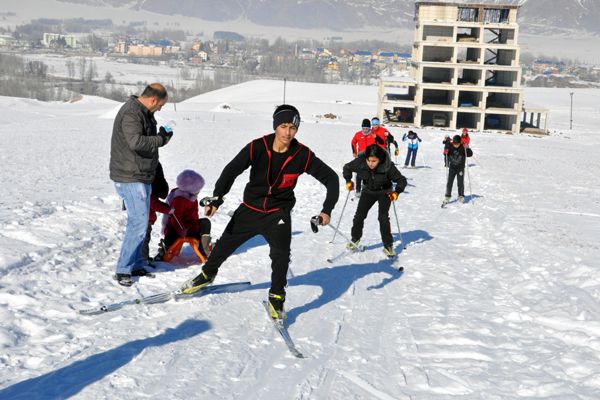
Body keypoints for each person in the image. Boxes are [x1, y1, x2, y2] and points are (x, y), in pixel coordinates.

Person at [181, 104, 339, 320]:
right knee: (224, 246)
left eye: (293, 128)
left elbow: (332, 179)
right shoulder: (258, 147)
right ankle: (207, 275)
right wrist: (218, 197)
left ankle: (276, 297)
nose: (287, 132)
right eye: (283, 126)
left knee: (281, 257)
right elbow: (232, 170)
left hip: (278, 214)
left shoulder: (302, 155)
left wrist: (326, 210)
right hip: (250, 209)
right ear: (276, 126)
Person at [110, 83, 173, 287]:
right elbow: (135, 142)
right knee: (138, 224)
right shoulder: (131, 113)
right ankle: (123, 269)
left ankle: (136, 263)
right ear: (154, 100)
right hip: (131, 176)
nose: (161, 109)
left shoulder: (144, 112)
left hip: (141, 175)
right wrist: (161, 140)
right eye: (161, 105)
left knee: (142, 222)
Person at [342, 144, 407, 257]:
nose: (371, 163)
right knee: (359, 216)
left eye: (374, 161)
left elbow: (401, 180)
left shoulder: (388, 166)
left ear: (379, 159)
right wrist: (348, 180)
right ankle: (355, 239)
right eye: (369, 160)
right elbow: (347, 167)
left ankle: (388, 245)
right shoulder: (360, 162)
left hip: (385, 192)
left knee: (383, 217)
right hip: (368, 191)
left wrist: (396, 192)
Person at [155, 169, 212, 260]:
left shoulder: (193, 198)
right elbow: (175, 218)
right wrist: (182, 230)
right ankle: (166, 247)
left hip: (191, 227)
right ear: (191, 189)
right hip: (179, 229)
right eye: (198, 188)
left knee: (205, 222)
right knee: (171, 230)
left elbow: (194, 216)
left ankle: (203, 247)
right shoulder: (179, 200)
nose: (199, 191)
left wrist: (195, 228)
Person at [142, 161, 171, 265]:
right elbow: (155, 204)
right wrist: (169, 209)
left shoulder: (143, 189)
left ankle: (141, 258)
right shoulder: (149, 193)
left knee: (141, 240)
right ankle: (143, 259)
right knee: (144, 240)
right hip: (145, 221)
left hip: (142, 219)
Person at [443, 135, 473, 205]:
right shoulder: (450, 146)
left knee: (460, 183)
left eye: (457, 144)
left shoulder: (462, 147)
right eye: (454, 143)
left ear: (460, 142)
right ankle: (447, 196)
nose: (455, 145)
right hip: (452, 168)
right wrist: (445, 151)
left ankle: (461, 195)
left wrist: (467, 148)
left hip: (460, 168)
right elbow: (445, 153)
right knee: (449, 182)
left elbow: (470, 154)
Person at [350, 118, 376, 197]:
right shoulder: (358, 134)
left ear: (369, 128)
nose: (365, 130)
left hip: (370, 156)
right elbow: (353, 142)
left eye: (367, 128)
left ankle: (366, 186)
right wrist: (354, 151)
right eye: (363, 128)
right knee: (359, 173)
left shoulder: (373, 134)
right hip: (360, 156)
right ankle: (358, 190)